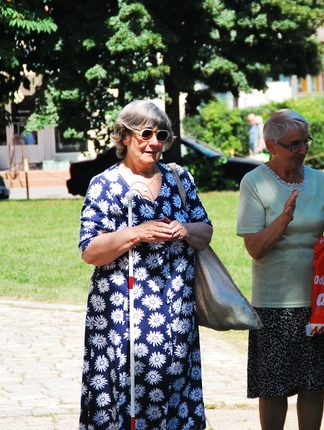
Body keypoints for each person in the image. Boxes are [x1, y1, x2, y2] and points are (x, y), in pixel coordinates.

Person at [77, 99, 213, 430]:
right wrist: (136, 233)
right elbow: (90, 250)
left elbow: (205, 230)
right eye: (146, 133)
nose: (154, 142)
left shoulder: (180, 178)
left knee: (176, 392)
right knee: (126, 392)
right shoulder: (105, 185)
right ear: (124, 137)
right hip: (123, 314)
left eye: (161, 135)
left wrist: (185, 230)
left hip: (176, 310)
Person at [236, 108, 324, 430]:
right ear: (271, 144)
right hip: (273, 303)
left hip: (318, 299)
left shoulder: (320, 181)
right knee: (274, 386)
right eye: (294, 144)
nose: (303, 150)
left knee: (314, 382)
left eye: (305, 142)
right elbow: (255, 248)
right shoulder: (254, 182)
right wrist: (283, 219)